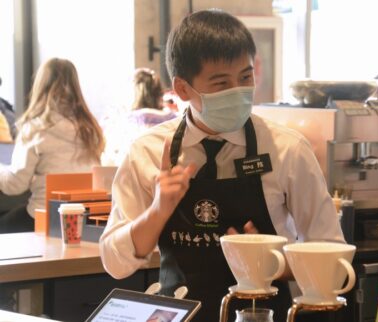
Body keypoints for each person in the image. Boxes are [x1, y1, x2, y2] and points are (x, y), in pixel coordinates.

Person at [100, 9, 344, 322]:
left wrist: (274, 263)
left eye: (245, 77)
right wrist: (159, 210)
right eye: (220, 83)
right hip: (181, 313)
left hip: (264, 316)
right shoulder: (146, 152)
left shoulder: (287, 149)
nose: (238, 92)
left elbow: (334, 259)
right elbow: (115, 263)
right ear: (184, 88)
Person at [0, 58, 104, 233]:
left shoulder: (35, 129)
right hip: (85, 220)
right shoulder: (91, 129)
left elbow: (15, 185)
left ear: (40, 87)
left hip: (46, 217)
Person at [100, 68, 177, 166]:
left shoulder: (125, 123)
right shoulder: (174, 119)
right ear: (159, 93)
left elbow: (111, 160)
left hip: (133, 176)